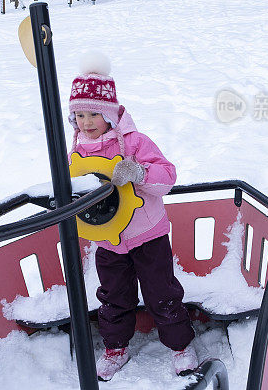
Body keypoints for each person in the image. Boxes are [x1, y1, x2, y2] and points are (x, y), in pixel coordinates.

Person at [67, 52, 199, 382]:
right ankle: (115, 348)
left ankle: (180, 346)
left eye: (94, 113)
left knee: (162, 293)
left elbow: (167, 176)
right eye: (80, 115)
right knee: (113, 297)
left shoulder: (135, 142)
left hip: (148, 236)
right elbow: (72, 188)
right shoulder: (77, 153)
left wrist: (139, 172)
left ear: (110, 114)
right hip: (108, 241)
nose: (86, 122)